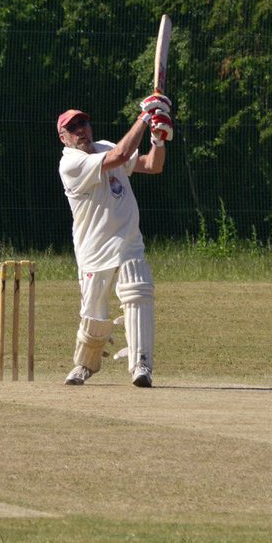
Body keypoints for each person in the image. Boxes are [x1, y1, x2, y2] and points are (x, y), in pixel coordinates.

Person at [57, 94, 173, 387]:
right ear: (63, 137)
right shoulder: (71, 163)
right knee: (94, 313)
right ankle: (84, 365)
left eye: (83, 123)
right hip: (94, 250)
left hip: (128, 242)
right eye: (73, 127)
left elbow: (152, 165)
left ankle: (141, 366)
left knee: (138, 292)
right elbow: (120, 156)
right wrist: (145, 118)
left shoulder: (106, 145)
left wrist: (158, 139)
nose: (81, 129)